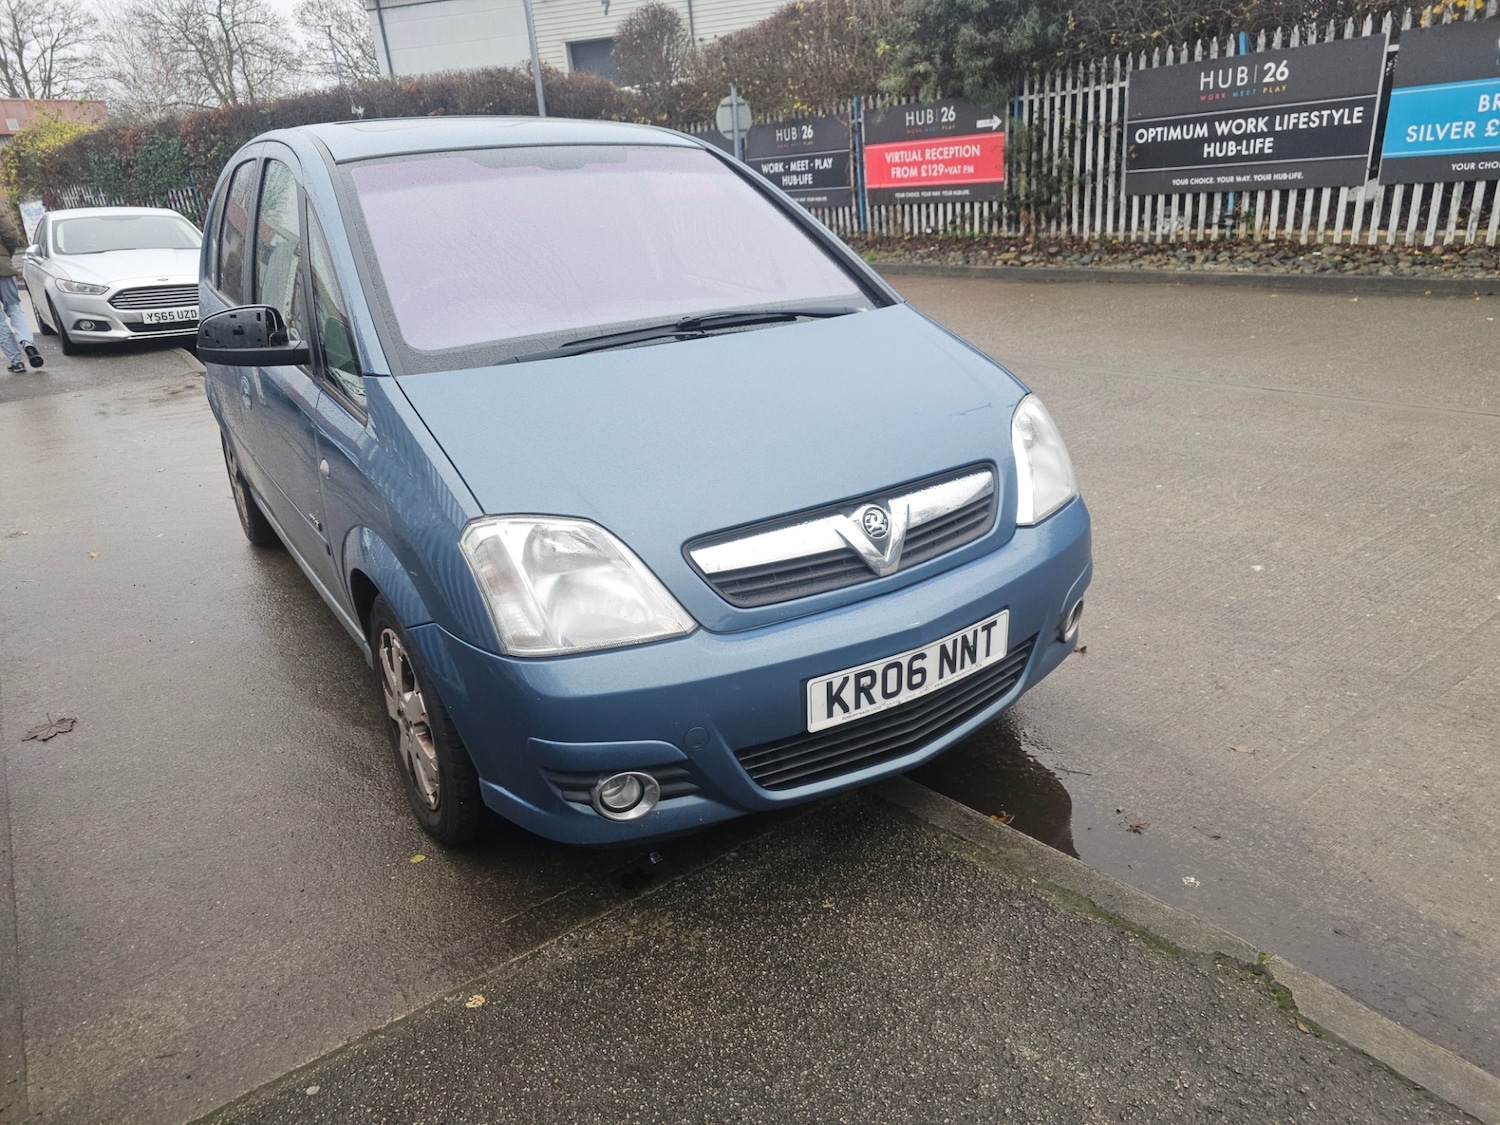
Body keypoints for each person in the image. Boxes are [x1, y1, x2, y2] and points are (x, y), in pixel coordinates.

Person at [0, 201, 42, 372]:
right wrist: (5, 256)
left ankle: (16, 361)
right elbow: (10, 233)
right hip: (3, 267)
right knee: (14, 308)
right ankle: (27, 342)